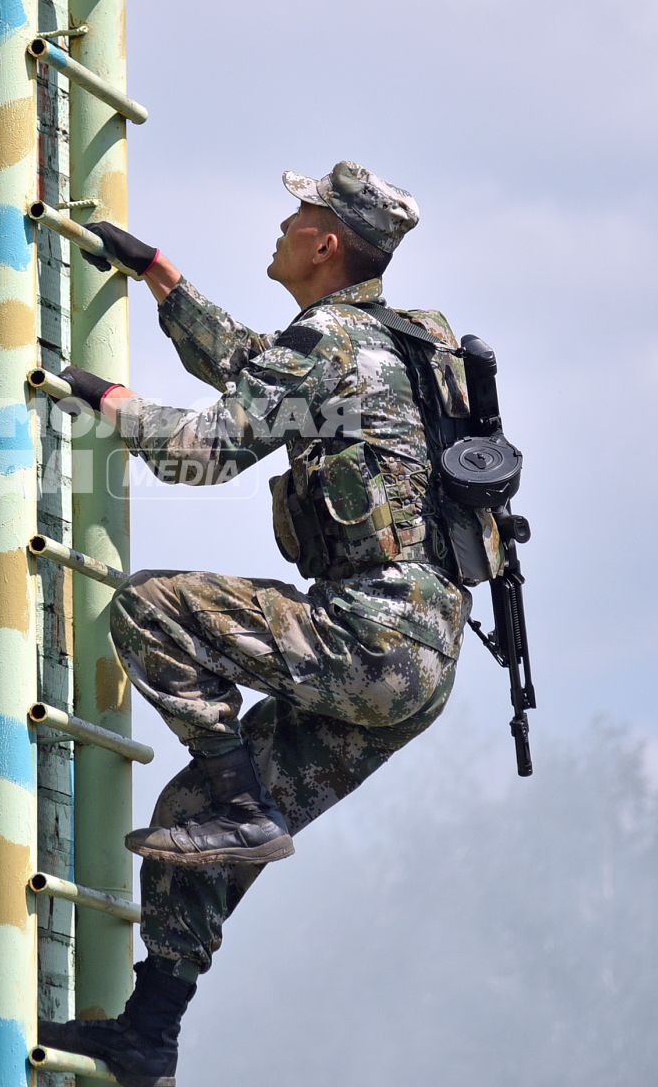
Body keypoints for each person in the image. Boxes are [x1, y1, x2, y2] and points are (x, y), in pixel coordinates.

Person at [39, 163, 475, 1087]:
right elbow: (254, 368)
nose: (283, 222)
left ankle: (241, 801)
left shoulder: (329, 343)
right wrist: (161, 276)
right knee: (189, 830)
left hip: (370, 632)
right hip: (419, 665)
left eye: (300, 212)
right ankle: (149, 1038)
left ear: (327, 244)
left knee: (151, 605)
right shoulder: (399, 339)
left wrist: (100, 400)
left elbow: (205, 452)